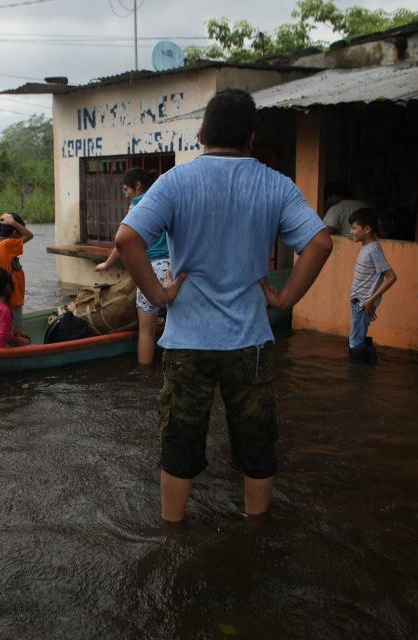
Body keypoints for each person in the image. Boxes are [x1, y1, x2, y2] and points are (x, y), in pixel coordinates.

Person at [115, 89, 332, 523]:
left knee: (181, 440)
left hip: (186, 342)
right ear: (251, 137)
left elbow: (127, 239)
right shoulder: (276, 184)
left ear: (201, 134)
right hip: (250, 341)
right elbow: (320, 242)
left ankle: (172, 530)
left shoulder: (175, 181)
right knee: (256, 441)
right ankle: (256, 528)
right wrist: (285, 298)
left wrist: (159, 297)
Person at [94, 168, 168, 364]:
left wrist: (107, 264)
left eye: (126, 189)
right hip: (174, 269)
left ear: (137, 186)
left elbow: (123, 242)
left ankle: (145, 378)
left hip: (152, 269)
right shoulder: (166, 199)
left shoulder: (137, 205)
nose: (125, 194)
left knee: (146, 332)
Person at [345, 208, 397, 363]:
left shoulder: (373, 249)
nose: (351, 231)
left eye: (354, 228)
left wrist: (370, 301)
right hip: (360, 302)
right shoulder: (368, 248)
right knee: (357, 339)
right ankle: (364, 376)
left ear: (367, 229)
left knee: (355, 343)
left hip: (362, 303)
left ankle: (357, 380)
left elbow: (391, 277)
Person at [0, 212, 33, 336]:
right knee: (18, 332)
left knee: (10, 330)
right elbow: (29, 235)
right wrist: (13, 223)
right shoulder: (7, 245)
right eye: (18, 233)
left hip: (8, 296)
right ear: (15, 233)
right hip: (13, 298)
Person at [0, 266, 31, 348]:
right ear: (8, 287)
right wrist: (19, 340)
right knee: (28, 342)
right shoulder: (4, 310)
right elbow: (3, 336)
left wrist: (15, 331)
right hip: (1, 348)